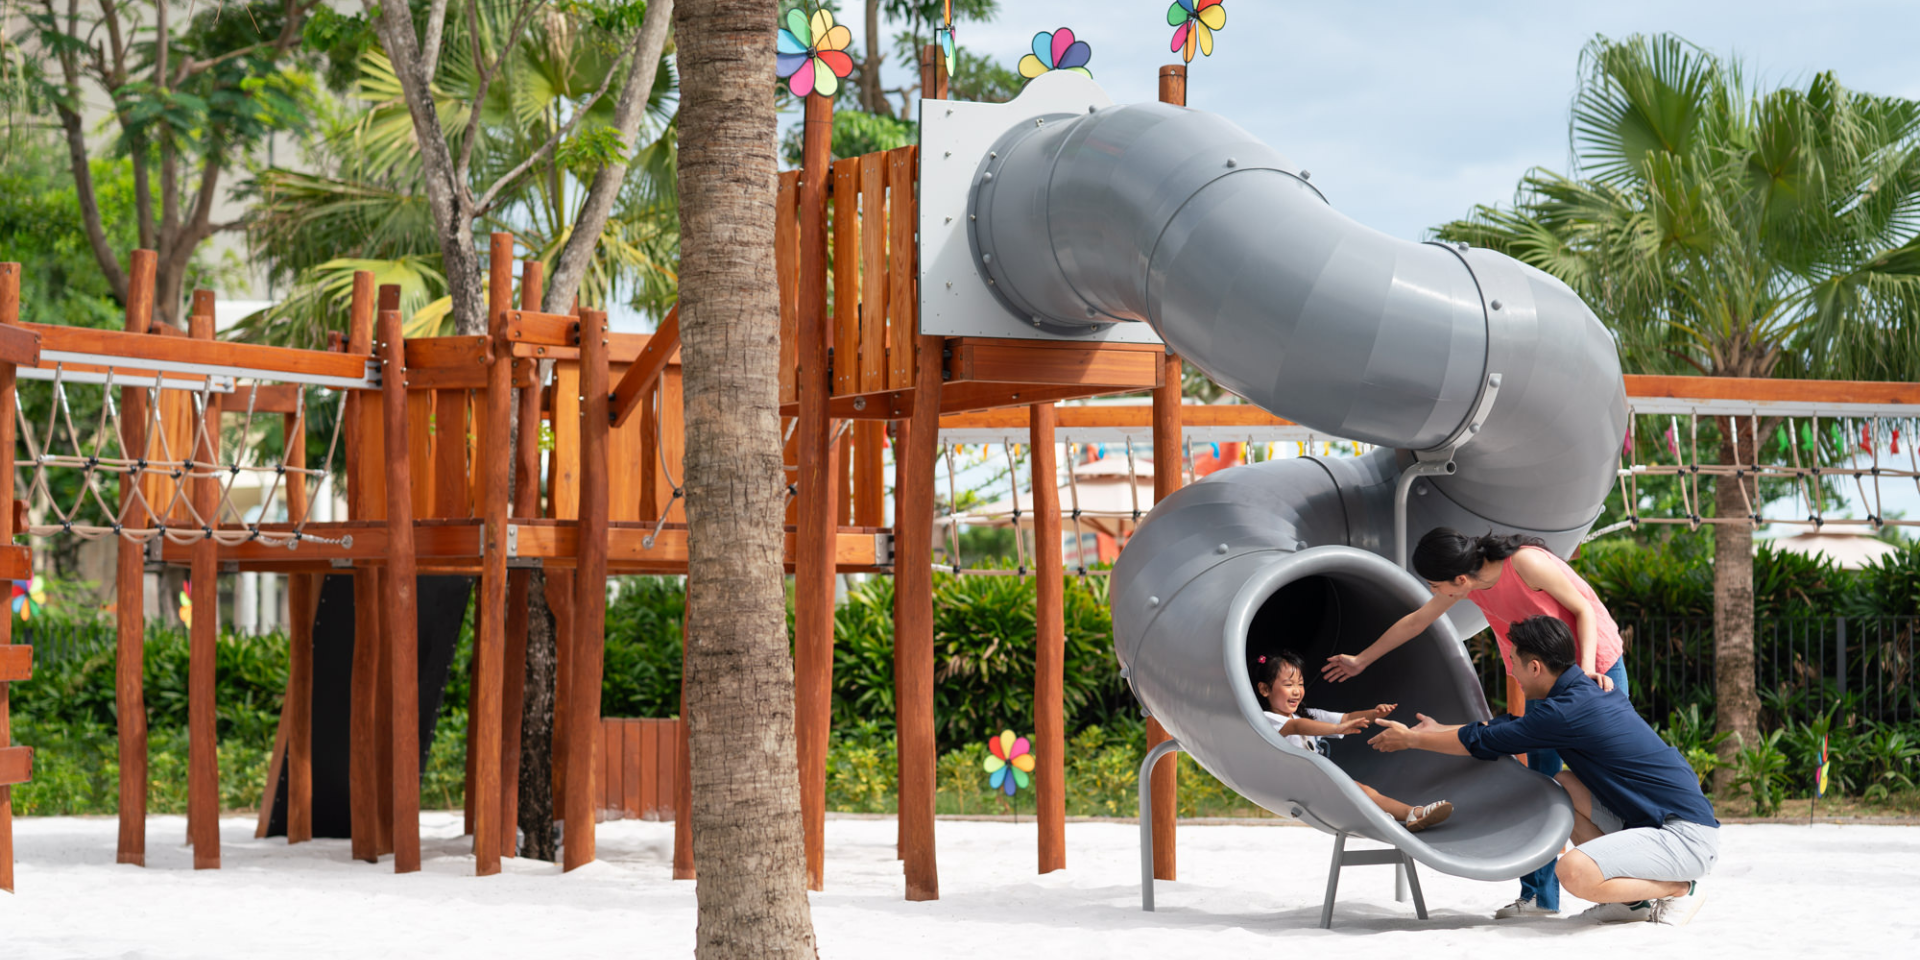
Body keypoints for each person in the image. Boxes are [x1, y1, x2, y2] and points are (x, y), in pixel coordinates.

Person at [1323, 527, 1629, 918]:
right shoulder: (1469, 584)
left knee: (1604, 777)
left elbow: (1584, 608)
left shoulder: (1525, 564)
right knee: (1541, 780)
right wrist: (1361, 660)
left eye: (1436, 584)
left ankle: (1628, 885)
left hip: (1594, 667)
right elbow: (1417, 621)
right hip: (1543, 680)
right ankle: (1539, 897)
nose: (1436, 592)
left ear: (1460, 579)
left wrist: (1587, 672)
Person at [1367, 616, 1717, 926]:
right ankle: (1631, 903)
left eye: (1513, 662)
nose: (1512, 671)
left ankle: (1680, 889)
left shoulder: (1565, 711)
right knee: (1563, 783)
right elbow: (1512, 727)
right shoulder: (1580, 693)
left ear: (1535, 667)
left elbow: (1487, 741)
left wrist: (1412, 740)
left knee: (1573, 871)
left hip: (1683, 835)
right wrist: (1439, 728)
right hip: (1659, 821)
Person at [1252, 651, 1453, 833]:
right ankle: (1394, 816)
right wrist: (1335, 729)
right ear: (1264, 689)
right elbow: (1297, 727)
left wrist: (1374, 714)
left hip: (1320, 779)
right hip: (1299, 786)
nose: (1296, 691)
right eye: (1288, 685)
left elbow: (1347, 718)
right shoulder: (1267, 719)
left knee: (1364, 791)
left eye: (1300, 684)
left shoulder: (1307, 714)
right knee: (1358, 792)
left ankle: (1408, 814)